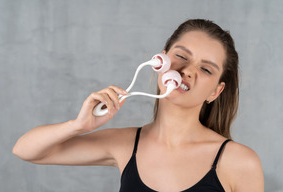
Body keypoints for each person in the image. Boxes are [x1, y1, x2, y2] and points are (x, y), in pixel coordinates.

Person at [13, 19, 264, 191]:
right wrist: (77, 125)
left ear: (216, 91)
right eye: (180, 56)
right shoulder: (124, 144)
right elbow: (25, 150)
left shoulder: (239, 162)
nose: (187, 70)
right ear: (160, 61)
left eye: (206, 69)